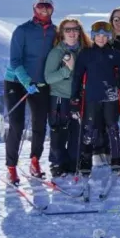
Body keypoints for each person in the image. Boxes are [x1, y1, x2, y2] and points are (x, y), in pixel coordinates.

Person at [3, 0, 57, 184]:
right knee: (16, 124)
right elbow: (15, 60)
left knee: (40, 124)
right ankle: (11, 167)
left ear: (52, 9)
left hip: (41, 84)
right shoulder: (22, 30)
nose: (44, 10)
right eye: (40, 7)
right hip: (16, 82)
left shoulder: (54, 32)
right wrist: (27, 82)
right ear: (34, 9)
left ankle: (35, 161)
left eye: (48, 7)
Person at [70, 21, 120, 175]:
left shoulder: (115, 54)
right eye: (98, 36)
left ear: (109, 37)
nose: (101, 39)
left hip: (111, 97)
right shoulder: (85, 54)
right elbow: (77, 77)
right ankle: (85, 161)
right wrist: (74, 98)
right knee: (89, 129)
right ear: (93, 36)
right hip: (91, 97)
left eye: (105, 36)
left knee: (112, 128)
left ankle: (116, 160)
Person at [43, 16, 88, 178]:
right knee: (58, 131)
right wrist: (67, 70)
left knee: (77, 131)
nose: (71, 33)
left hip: (79, 97)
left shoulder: (84, 51)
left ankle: (73, 162)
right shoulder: (57, 52)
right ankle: (57, 163)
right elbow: (48, 78)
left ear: (79, 32)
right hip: (59, 97)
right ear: (62, 33)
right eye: (67, 30)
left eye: (75, 29)